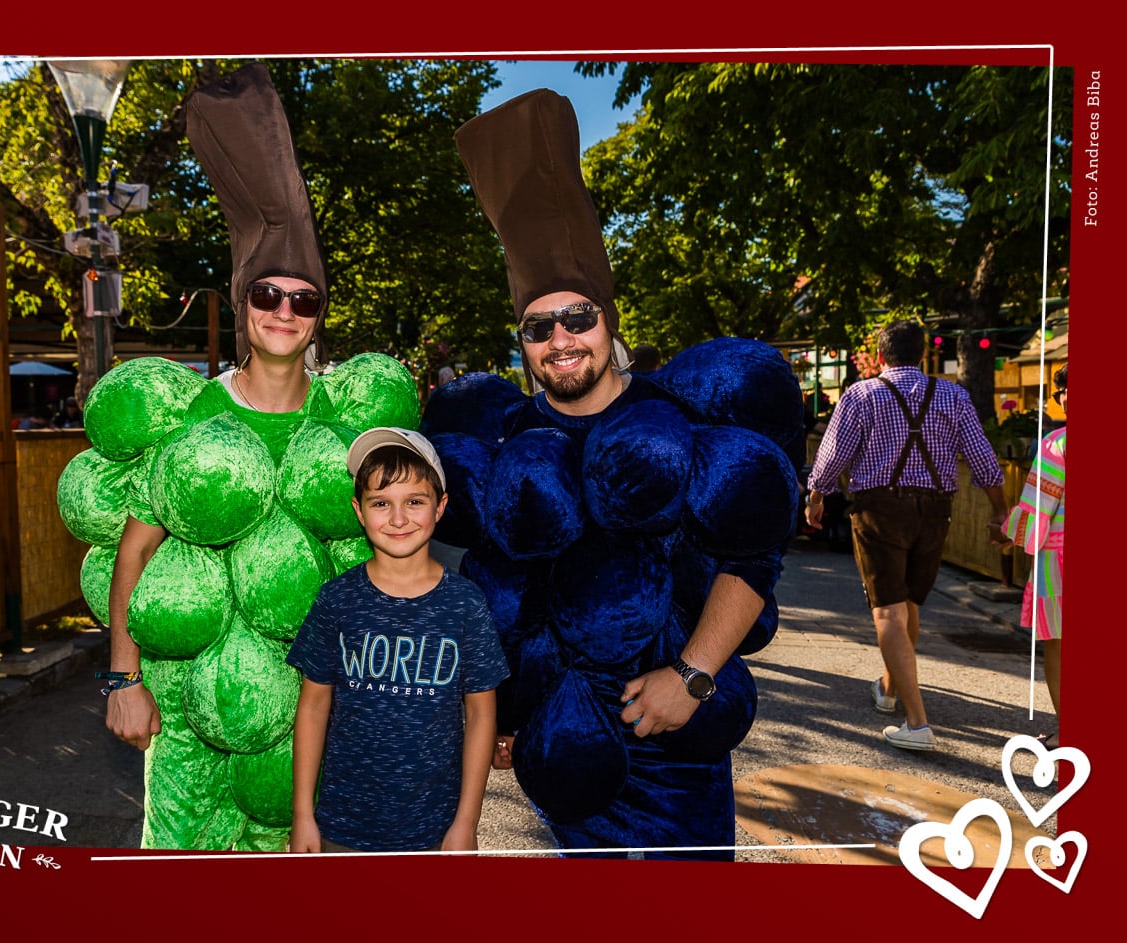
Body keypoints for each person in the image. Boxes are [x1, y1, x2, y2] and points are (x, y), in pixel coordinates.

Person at [424, 89, 802, 859]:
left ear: (610, 319)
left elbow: (754, 557)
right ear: (522, 341)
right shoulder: (511, 438)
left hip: (678, 752)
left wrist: (692, 677)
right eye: (539, 326)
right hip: (566, 755)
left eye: (579, 317)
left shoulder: (676, 416)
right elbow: (506, 586)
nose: (561, 339)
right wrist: (507, 712)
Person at [98, 63, 420, 851]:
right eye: (267, 294)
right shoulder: (188, 413)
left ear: (319, 315)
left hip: (314, 712)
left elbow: (391, 556)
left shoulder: (348, 426)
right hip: (185, 708)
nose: (284, 310)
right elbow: (134, 554)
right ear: (243, 300)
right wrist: (124, 679)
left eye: (303, 299)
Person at [288, 428, 507, 853]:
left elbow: (481, 715)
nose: (398, 518)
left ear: (440, 506)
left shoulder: (466, 604)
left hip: (435, 831)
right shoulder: (337, 599)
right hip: (342, 826)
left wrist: (467, 822)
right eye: (381, 503)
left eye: (415, 502)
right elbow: (313, 706)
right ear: (359, 510)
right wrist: (302, 815)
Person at [805, 320, 1007, 752]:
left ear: (880, 356)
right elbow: (983, 459)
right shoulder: (954, 396)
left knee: (888, 611)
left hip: (880, 509)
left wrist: (816, 496)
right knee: (909, 602)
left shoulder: (861, 395)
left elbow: (833, 455)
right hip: (935, 512)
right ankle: (888, 688)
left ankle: (917, 723)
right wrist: (1000, 510)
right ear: (923, 354)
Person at [1001, 363, 1065, 748]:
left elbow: (1038, 508)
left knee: (1059, 647)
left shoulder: (1057, 444)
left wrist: (1011, 536)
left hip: (1060, 561)